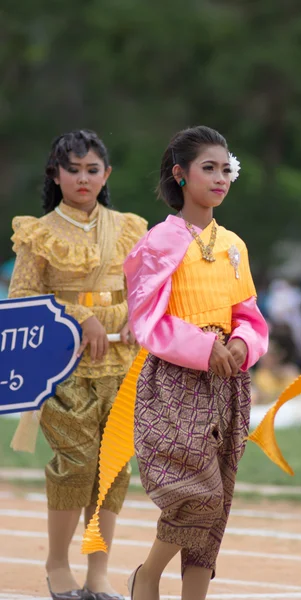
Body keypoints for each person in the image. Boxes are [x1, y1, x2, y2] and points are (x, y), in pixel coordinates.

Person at [124, 126, 268, 600]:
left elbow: (249, 315)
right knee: (196, 493)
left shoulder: (234, 245)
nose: (220, 177)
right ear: (180, 175)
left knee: (218, 497)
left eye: (226, 168)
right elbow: (148, 320)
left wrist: (243, 345)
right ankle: (148, 575)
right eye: (209, 167)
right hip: (174, 383)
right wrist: (206, 348)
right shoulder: (158, 243)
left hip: (228, 382)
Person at [8, 129, 147, 600]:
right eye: (73, 169)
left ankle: (99, 572)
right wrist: (79, 316)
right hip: (62, 365)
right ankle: (56, 563)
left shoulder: (130, 227)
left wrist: (134, 315)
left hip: (122, 363)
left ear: (106, 174)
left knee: (114, 468)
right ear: (56, 174)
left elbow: (145, 289)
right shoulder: (39, 232)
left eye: (92, 169)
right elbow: (22, 296)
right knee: (77, 463)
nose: (83, 178)